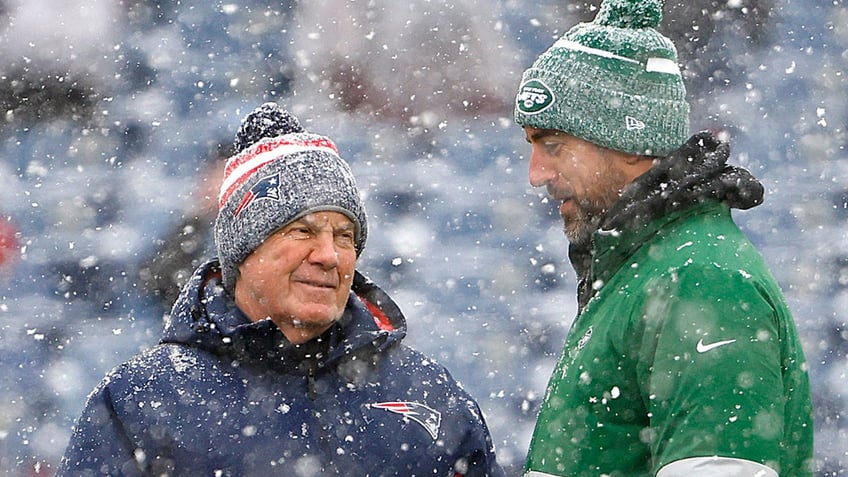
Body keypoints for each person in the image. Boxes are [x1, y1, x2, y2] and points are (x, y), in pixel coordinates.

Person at [59, 103, 505, 477]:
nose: (329, 255)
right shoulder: (144, 399)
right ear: (244, 250)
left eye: (345, 236)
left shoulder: (429, 393)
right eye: (302, 231)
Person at [512, 0, 813, 476]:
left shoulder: (698, 280)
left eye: (553, 145)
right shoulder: (645, 271)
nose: (536, 174)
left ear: (630, 141)